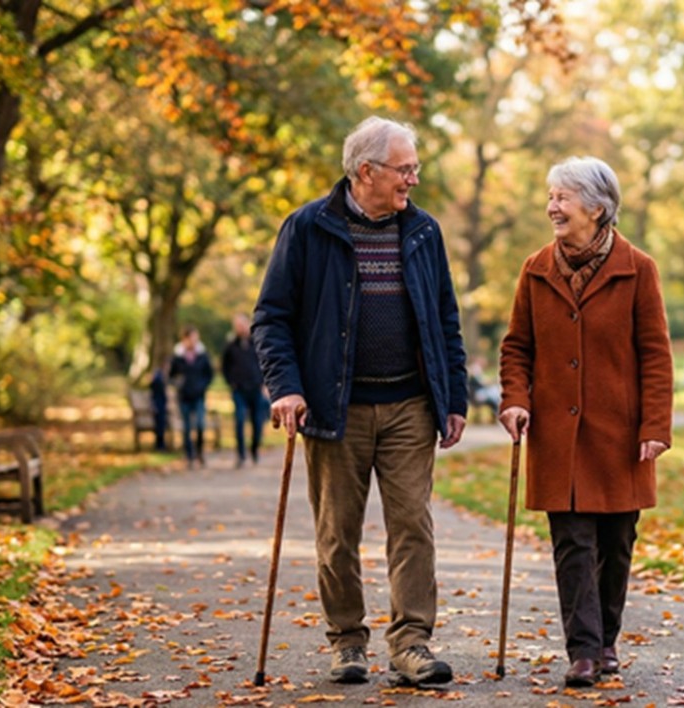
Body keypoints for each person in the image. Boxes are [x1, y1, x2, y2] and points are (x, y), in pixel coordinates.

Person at [252, 116, 468, 687]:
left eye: (414, 169)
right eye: (405, 169)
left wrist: (455, 396)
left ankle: (412, 644)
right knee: (336, 531)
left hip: (409, 405)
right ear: (365, 171)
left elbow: (446, 320)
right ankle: (347, 641)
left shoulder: (423, 232)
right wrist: (287, 387)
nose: (412, 180)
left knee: (412, 528)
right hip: (334, 407)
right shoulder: (307, 228)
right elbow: (271, 318)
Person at [498, 156, 674, 689]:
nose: (552, 206)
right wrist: (514, 398)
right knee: (571, 541)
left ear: (597, 207)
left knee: (617, 542)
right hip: (557, 434)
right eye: (550, 196)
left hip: (619, 434)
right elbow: (516, 347)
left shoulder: (638, 268)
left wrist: (655, 427)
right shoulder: (534, 269)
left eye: (563, 197)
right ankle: (584, 651)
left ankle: (606, 639)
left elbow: (655, 354)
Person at [221, 312, 268, 468]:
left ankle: (254, 450)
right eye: (237, 325)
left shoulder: (257, 343)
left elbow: (265, 363)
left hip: (255, 388)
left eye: (242, 324)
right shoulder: (230, 346)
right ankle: (241, 454)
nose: (239, 328)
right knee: (240, 420)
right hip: (239, 390)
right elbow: (224, 367)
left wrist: (264, 383)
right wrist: (231, 382)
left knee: (257, 422)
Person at [169, 325, 214, 469]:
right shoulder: (177, 356)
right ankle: (189, 456)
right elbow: (171, 376)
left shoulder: (202, 354)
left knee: (200, 425)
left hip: (199, 395)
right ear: (185, 339)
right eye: (192, 337)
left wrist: (202, 385)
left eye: (196, 337)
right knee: (187, 428)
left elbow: (209, 374)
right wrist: (178, 384)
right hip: (184, 396)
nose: (194, 341)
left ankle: (200, 453)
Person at [150, 360, 170, 451]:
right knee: (160, 424)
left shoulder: (161, 376)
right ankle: (159, 445)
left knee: (162, 423)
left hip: (161, 404)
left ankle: (161, 444)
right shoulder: (158, 376)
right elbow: (154, 391)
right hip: (158, 404)